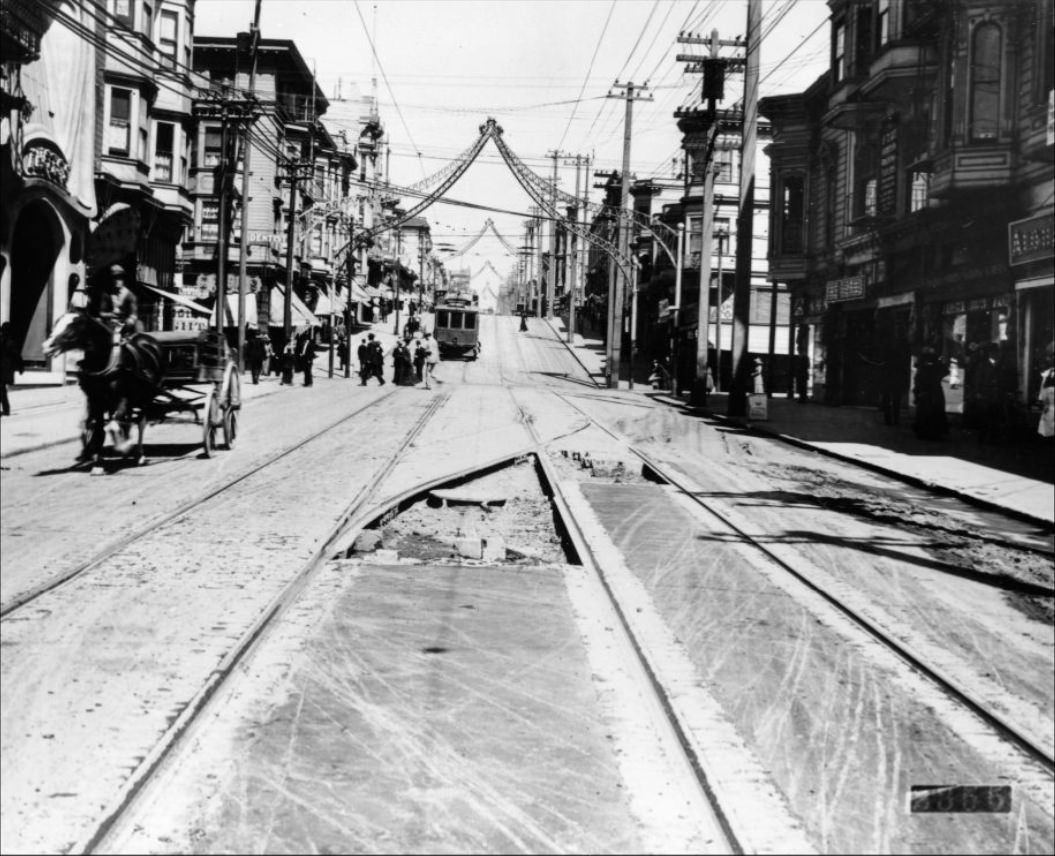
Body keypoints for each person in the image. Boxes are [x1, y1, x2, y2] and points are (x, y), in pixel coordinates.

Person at [912, 345, 948, 440]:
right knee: (933, 412)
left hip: (926, 390)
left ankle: (925, 431)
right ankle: (933, 432)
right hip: (933, 390)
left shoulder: (924, 364)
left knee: (925, 412)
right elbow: (944, 371)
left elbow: (918, 378)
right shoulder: (935, 364)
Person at [1, 322, 24, 417]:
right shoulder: (11, 343)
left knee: (2, 389)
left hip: (4, 370)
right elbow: (17, 357)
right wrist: (20, 367)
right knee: (2, 389)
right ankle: (6, 409)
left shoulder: (8, 342)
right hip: (6, 370)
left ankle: (6, 409)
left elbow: (16, 356)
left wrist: (20, 367)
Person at [1037, 343, 1055, 440]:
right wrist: (1042, 401)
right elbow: (1043, 389)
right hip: (1049, 404)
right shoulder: (1047, 373)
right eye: (1052, 357)